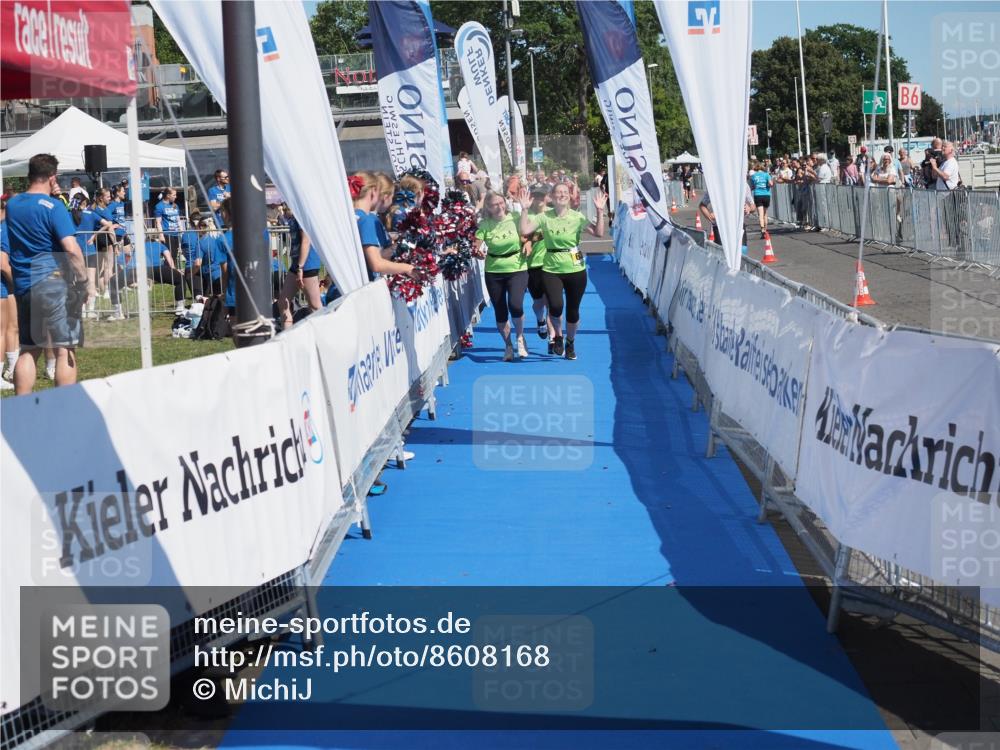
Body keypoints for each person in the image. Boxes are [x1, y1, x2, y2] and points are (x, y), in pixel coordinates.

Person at [5, 154, 89, 394]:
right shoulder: (54, 207)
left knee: (30, 348)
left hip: (24, 284)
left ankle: (22, 405)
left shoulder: (12, 204)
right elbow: (71, 249)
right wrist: (84, 282)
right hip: (53, 283)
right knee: (65, 348)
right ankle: (63, 405)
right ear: (52, 177)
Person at [517, 181, 606, 361]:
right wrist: (524, 209)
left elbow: (599, 233)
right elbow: (525, 230)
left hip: (575, 268)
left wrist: (599, 211)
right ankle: (557, 335)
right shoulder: (544, 217)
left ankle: (570, 342)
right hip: (551, 269)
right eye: (558, 192)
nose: (562, 195)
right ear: (552, 197)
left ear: (570, 196)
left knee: (573, 311)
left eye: (565, 192)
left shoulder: (577, 217)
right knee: (556, 307)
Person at [475, 191, 530, 361]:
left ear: (505, 203)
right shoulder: (484, 224)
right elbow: (476, 242)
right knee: (500, 312)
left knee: (515, 304)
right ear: (488, 208)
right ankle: (508, 345)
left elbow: (532, 233)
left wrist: (528, 242)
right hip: (494, 271)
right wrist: (476, 249)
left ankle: (520, 337)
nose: (499, 207)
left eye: (501, 203)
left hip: (517, 267)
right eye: (494, 205)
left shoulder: (515, 217)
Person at [351, 171, 416, 281]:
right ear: (373, 191)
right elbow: (376, 264)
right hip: (359, 287)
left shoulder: (353, 215)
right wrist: (407, 268)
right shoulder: (367, 219)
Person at [277, 209, 322, 329]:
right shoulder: (295, 213)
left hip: (307, 264)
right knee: (283, 302)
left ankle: (324, 337)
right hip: (296, 264)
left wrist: (300, 267)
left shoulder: (303, 214)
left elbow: (305, 241)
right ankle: (287, 338)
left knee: (315, 306)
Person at [524, 183, 554, 346]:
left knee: (551, 301)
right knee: (538, 302)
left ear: (547, 197)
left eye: (542, 195)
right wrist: (528, 241)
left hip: (551, 265)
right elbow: (521, 236)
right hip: (532, 265)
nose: (539, 199)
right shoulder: (525, 215)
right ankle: (540, 319)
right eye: (536, 196)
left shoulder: (553, 214)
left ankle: (552, 337)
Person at [0, 200, 17, 390]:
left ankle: (12, 367)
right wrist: (18, 284)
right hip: (1, 287)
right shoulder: (3, 228)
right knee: (2, 331)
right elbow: (3, 264)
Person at [153, 187, 183, 262]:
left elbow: (178, 219)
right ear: (168, 195)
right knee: (169, 256)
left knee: (175, 255)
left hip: (176, 234)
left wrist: (182, 230)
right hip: (167, 234)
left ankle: (173, 271)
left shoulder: (175, 206)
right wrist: (161, 235)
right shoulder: (159, 206)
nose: (176, 197)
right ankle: (170, 272)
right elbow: (158, 222)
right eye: (174, 195)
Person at [748, 161, 773, 237]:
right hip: (766, 194)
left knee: (760, 214)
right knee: (765, 213)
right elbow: (771, 184)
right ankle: (765, 229)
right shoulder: (766, 175)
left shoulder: (753, 176)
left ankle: (762, 229)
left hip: (758, 195)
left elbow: (751, 187)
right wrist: (768, 185)